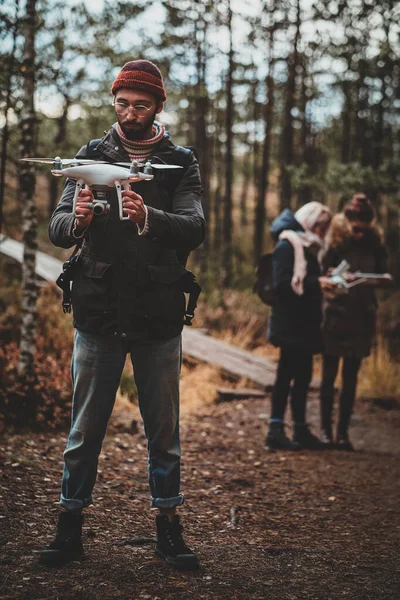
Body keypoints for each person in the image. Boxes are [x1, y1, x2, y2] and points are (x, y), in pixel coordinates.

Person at [40, 60, 205, 569]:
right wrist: (79, 218)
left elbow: (194, 226)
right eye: (122, 103)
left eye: (141, 104)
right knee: (85, 430)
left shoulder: (180, 160)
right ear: (114, 103)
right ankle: (69, 528)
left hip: (158, 317)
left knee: (164, 431)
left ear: (157, 106)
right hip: (97, 311)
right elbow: (58, 227)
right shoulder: (92, 155)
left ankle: (169, 530)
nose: (130, 113)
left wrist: (149, 216)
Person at [320, 193, 392, 450]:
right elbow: (321, 273)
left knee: (351, 377)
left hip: (362, 315)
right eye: (355, 223)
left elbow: (386, 272)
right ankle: (326, 432)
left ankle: (343, 433)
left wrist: (382, 278)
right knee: (329, 375)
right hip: (336, 314)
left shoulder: (375, 242)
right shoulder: (335, 239)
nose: (359, 229)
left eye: (364, 224)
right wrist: (333, 277)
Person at [265, 201, 333, 451]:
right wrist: (317, 283)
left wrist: (325, 280)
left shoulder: (308, 247)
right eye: (320, 226)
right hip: (290, 323)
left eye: (325, 228)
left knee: (303, 376)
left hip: (305, 323)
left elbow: (305, 281)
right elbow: (282, 285)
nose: (322, 232)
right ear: (309, 221)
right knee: (286, 376)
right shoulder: (288, 245)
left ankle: (300, 429)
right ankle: (275, 429)